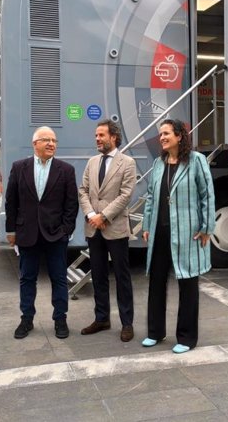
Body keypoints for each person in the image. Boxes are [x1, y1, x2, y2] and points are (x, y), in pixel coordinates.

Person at [141, 119, 216, 354]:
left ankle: (186, 337)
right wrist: (146, 224)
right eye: (160, 134)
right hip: (160, 233)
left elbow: (207, 195)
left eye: (166, 133)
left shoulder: (196, 161)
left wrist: (207, 228)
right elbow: (152, 197)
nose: (161, 137)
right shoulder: (158, 163)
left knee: (188, 285)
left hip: (188, 233)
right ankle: (155, 332)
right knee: (156, 282)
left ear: (179, 136)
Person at [5, 126, 78, 340]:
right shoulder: (19, 167)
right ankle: (26, 318)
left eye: (54, 140)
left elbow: (71, 204)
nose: (51, 144)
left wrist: (66, 229)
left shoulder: (65, 170)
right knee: (27, 278)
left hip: (56, 234)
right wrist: (11, 230)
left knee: (59, 278)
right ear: (34, 143)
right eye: (46, 140)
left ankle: (60, 319)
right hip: (27, 233)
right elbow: (11, 201)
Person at [78, 120, 137, 342]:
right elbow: (83, 190)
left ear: (113, 137)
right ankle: (102, 318)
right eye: (96, 135)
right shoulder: (92, 162)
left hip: (116, 228)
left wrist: (104, 216)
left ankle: (127, 323)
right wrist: (92, 215)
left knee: (122, 277)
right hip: (94, 228)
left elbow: (126, 194)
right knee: (99, 275)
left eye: (101, 135)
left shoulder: (127, 163)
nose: (97, 139)